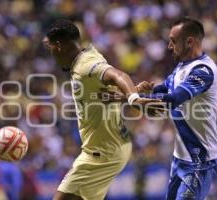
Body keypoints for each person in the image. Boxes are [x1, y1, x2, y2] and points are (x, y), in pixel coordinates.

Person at [42, 19, 159, 200]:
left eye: (50, 48)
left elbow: (118, 75)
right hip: (111, 147)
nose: (51, 54)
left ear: (59, 46)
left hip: (102, 152)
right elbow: (105, 94)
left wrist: (133, 98)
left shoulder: (85, 66)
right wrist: (129, 94)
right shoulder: (88, 55)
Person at [136, 17, 217, 199]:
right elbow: (164, 88)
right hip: (181, 157)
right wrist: (145, 89)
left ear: (189, 41)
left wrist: (129, 98)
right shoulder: (182, 66)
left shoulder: (203, 70)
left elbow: (174, 98)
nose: (169, 46)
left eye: (173, 41)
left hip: (200, 159)